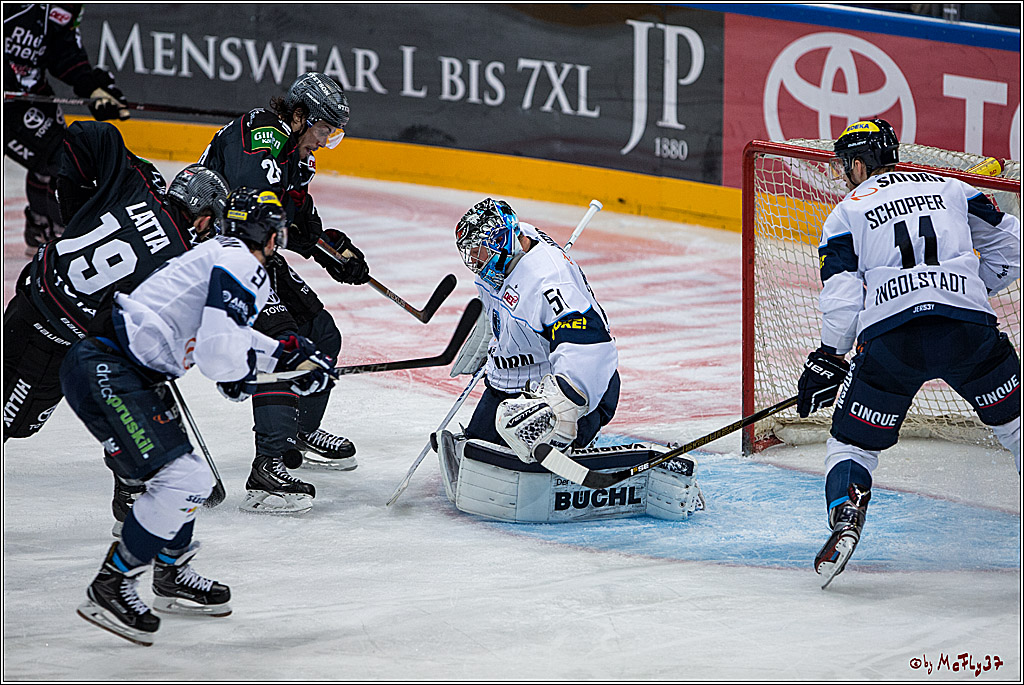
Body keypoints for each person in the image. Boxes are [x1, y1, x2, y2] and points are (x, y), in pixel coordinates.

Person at [60, 187, 336, 645]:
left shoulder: (220, 253)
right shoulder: (243, 265)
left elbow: (224, 338)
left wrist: (287, 357)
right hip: (112, 372)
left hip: (122, 370)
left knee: (191, 481)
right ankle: (111, 584)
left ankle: (169, 575)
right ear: (266, 234)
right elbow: (218, 359)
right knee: (183, 479)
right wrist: (266, 372)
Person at [796, 119, 1021, 588]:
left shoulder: (846, 211)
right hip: (967, 329)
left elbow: (842, 298)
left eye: (845, 166)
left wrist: (830, 358)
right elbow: (1012, 247)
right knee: (1017, 427)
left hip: (893, 342)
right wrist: (970, 289)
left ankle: (846, 519)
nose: (843, 175)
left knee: (852, 444)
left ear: (858, 164)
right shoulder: (954, 187)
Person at [434, 198, 704, 523]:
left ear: (501, 241)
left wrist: (558, 409)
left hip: (571, 385)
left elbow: (590, 345)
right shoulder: (512, 251)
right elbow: (504, 305)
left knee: (529, 451)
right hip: (514, 378)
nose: (476, 262)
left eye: (480, 251)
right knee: (483, 457)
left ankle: (578, 431)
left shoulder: (549, 282)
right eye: (471, 254)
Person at [198, 71, 370, 512]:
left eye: (333, 134)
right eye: (324, 129)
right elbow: (251, 212)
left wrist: (334, 251)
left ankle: (297, 432)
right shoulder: (262, 134)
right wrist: (308, 244)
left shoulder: (293, 151)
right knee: (282, 341)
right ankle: (266, 470)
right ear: (299, 115)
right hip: (221, 255)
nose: (325, 140)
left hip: (256, 252)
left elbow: (295, 212)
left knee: (322, 331)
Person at [3, 120, 228, 447]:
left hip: (33, 291)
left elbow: (88, 133)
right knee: (14, 423)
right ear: (204, 217)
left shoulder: (139, 183)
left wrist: (76, 210)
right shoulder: (180, 265)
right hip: (57, 335)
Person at [4, 3, 130, 254]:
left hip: (28, 94)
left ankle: (42, 226)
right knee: (58, 157)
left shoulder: (68, 8)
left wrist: (92, 88)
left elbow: (63, 50)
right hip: (7, 100)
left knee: (62, 157)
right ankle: (63, 237)